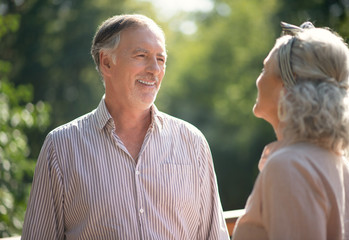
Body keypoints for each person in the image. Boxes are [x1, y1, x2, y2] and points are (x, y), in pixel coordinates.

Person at [22, 14, 229, 240]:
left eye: (161, 59)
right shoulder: (60, 147)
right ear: (107, 62)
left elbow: (214, 235)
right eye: (141, 56)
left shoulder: (193, 142)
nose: (154, 69)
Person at [232, 22, 349, 240]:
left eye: (265, 69)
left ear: (285, 88)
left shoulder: (288, 166)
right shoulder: (337, 162)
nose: (258, 79)